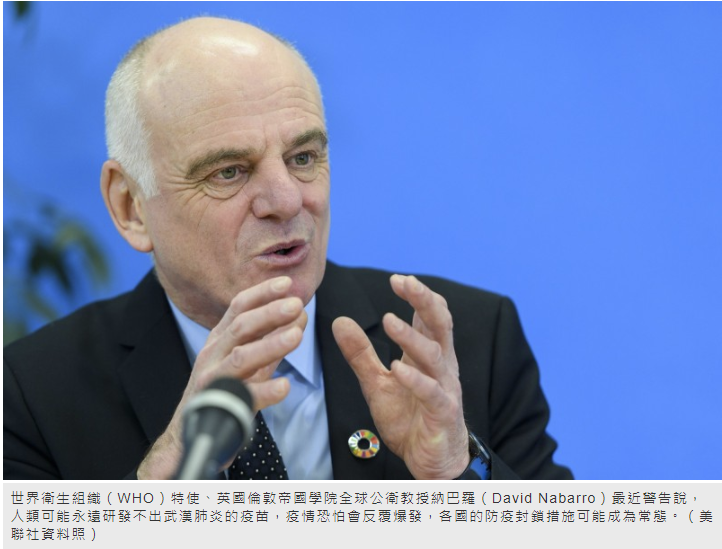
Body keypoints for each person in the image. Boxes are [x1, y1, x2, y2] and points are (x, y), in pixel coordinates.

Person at [4, 17, 571, 481]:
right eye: (229, 171)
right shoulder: (30, 395)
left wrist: (456, 474)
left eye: (303, 158)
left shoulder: (469, 343)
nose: (287, 200)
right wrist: (163, 486)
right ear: (130, 206)